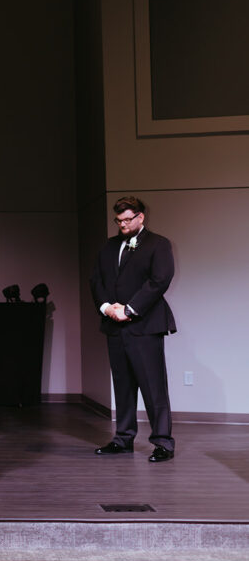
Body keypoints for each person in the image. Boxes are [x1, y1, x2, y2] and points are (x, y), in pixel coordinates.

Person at [90, 196, 176, 462]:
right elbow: (97, 280)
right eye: (119, 220)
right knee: (123, 386)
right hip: (115, 327)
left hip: (145, 326)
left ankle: (163, 443)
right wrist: (108, 308)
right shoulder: (109, 246)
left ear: (141, 217)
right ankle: (123, 438)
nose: (123, 225)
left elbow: (160, 280)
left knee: (153, 387)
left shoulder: (158, 244)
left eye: (128, 219)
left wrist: (129, 309)